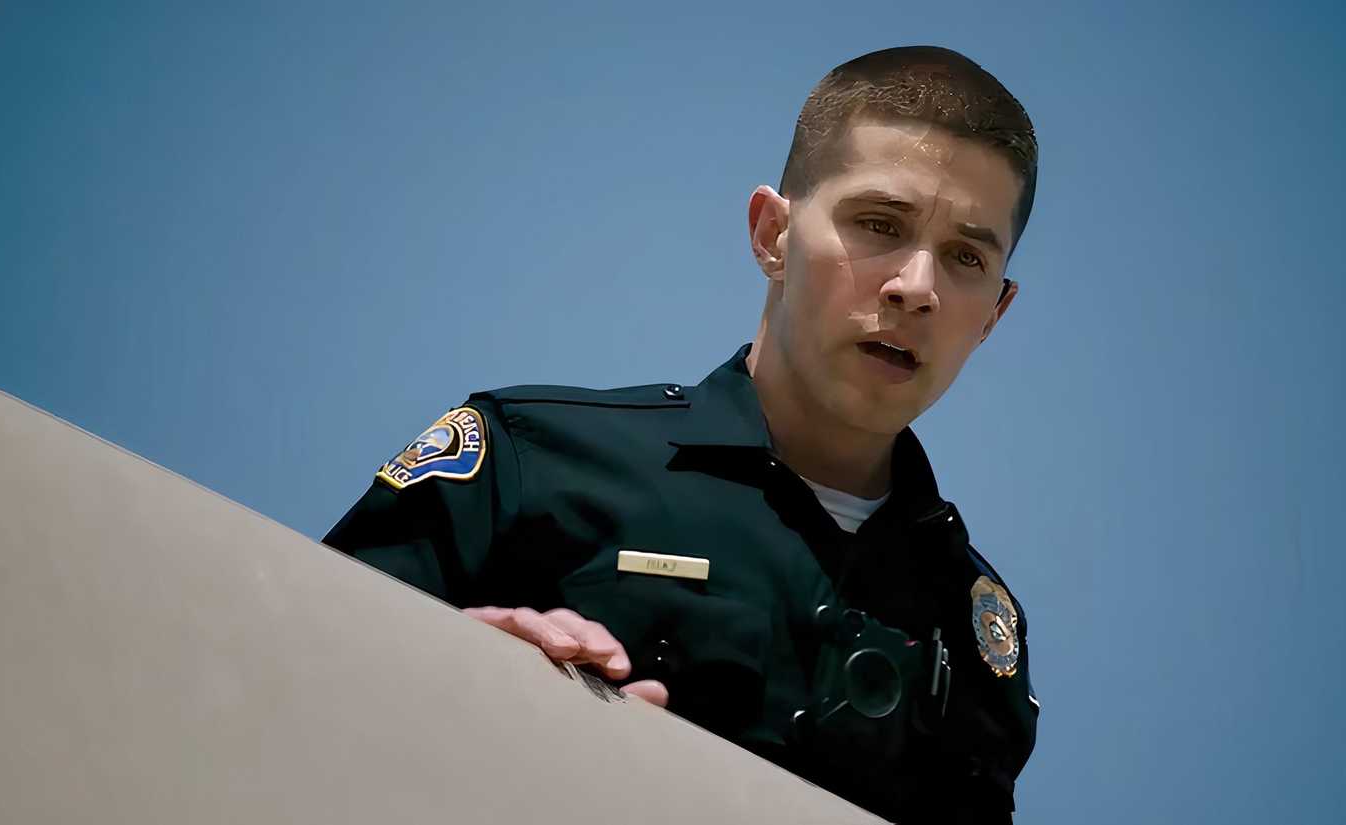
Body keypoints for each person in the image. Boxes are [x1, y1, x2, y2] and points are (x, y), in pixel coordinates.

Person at [323, 45, 1040, 824]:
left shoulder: (980, 633)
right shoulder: (528, 461)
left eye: (966, 256)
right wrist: (442, 657)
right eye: (879, 223)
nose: (917, 288)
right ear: (772, 234)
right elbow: (278, 669)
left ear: (994, 314)